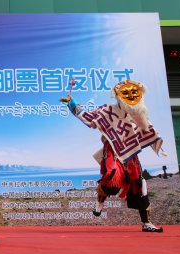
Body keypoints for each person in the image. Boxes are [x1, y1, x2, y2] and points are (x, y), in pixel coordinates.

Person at [61, 79, 166, 232]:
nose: (131, 95)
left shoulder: (139, 114)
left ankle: (147, 222)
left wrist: (157, 143)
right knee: (111, 175)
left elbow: (148, 132)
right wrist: (72, 103)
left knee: (139, 184)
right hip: (113, 150)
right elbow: (90, 119)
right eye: (126, 93)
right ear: (118, 96)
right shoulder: (107, 110)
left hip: (130, 154)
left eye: (134, 92)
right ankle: (100, 201)